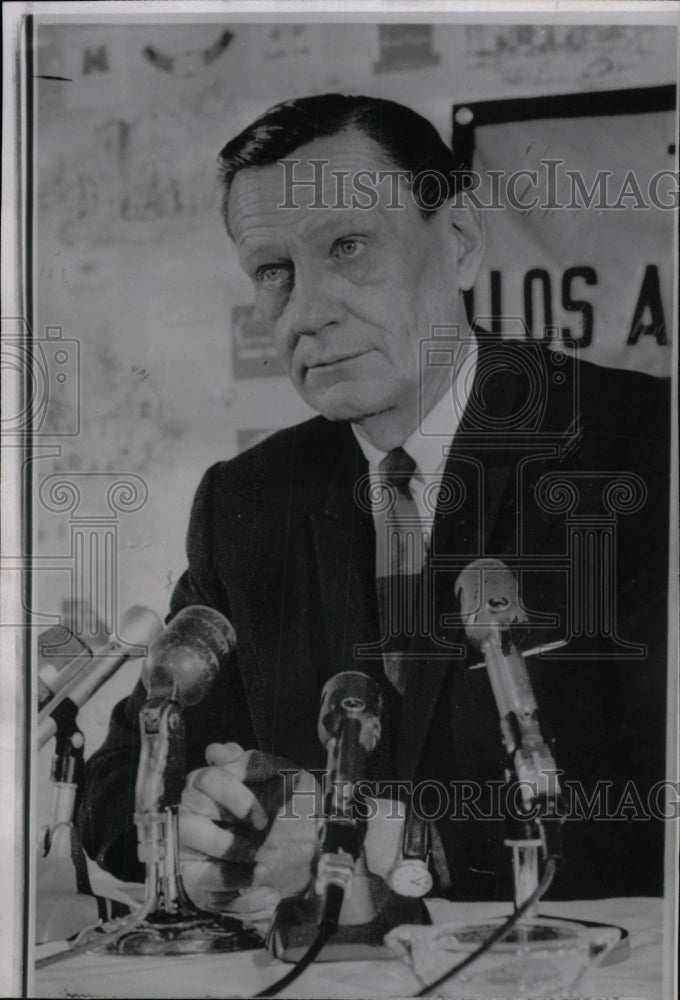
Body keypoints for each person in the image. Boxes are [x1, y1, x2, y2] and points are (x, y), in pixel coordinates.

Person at [78, 94, 670, 912]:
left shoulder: (644, 446)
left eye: (348, 247)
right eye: (273, 272)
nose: (308, 312)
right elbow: (116, 788)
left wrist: (401, 842)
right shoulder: (248, 503)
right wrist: (196, 831)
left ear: (459, 242)